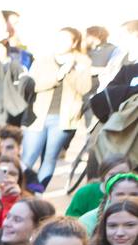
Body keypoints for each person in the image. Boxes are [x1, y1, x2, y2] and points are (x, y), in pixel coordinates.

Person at [22, 28, 92, 190]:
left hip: (64, 119)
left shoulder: (82, 61)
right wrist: (58, 76)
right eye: (58, 39)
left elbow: (84, 88)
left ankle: (37, 192)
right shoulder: (43, 59)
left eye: (65, 40)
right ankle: (21, 191)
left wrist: (72, 72)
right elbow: (33, 85)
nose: (60, 43)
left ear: (74, 42)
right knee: (27, 158)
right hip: (38, 116)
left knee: (49, 159)